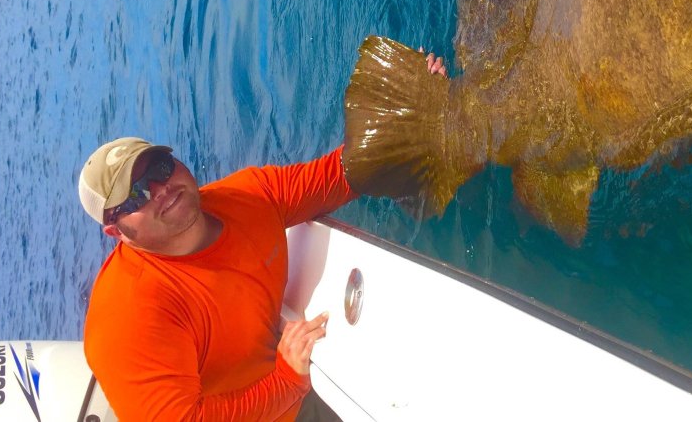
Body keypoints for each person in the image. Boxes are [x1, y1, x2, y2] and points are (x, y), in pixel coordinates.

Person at [77, 53, 447, 421]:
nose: (161, 188)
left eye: (160, 167)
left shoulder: (249, 196)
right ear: (116, 230)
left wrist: (408, 115)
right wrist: (286, 381)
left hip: (288, 387)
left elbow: (338, 176)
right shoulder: (127, 320)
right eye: (137, 193)